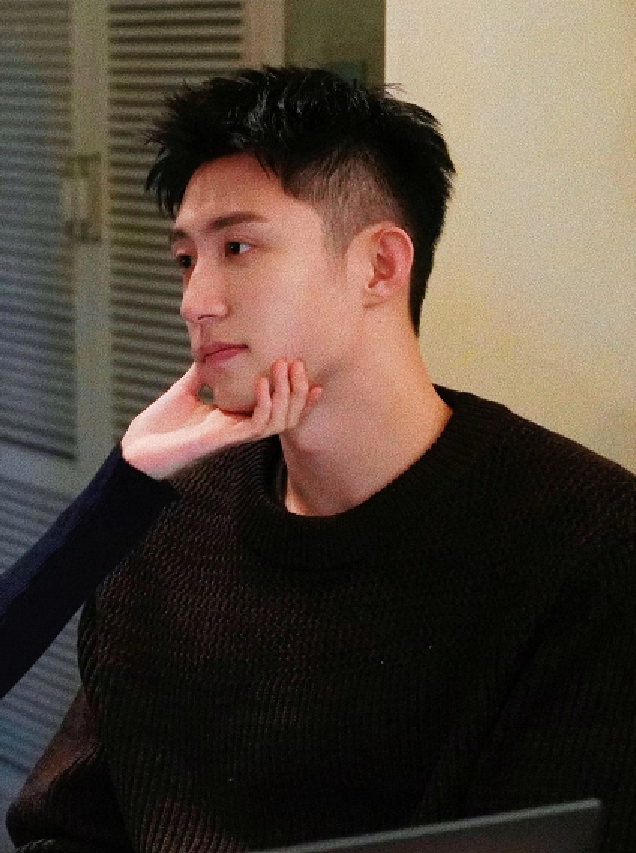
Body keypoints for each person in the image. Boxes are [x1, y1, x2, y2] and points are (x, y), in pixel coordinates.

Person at [6, 66, 635, 853]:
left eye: (238, 246)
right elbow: (68, 829)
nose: (194, 301)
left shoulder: (590, 547)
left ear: (380, 266)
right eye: (186, 259)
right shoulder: (164, 523)